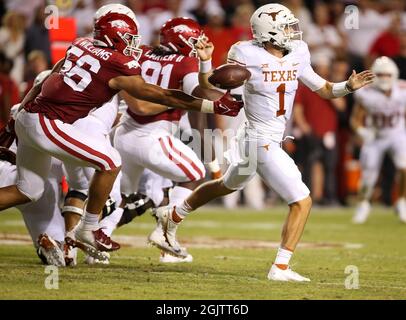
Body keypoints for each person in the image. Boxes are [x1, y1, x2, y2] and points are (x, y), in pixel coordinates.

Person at [150, 3, 374, 282]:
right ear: (269, 32)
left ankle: (172, 215)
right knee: (302, 201)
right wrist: (206, 61)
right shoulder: (245, 53)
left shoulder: (298, 52)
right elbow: (211, 87)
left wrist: (347, 87)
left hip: (260, 138)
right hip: (258, 138)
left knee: (226, 185)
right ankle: (280, 267)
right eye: (285, 27)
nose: (293, 31)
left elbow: (325, 90)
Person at [0, 4, 242, 258]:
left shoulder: (81, 44)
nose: (133, 44)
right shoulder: (118, 62)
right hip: (48, 122)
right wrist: (210, 104)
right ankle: (88, 229)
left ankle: (85, 233)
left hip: (30, 117)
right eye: (128, 38)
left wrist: (13, 121)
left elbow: (47, 77)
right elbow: (157, 94)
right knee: (110, 162)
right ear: (111, 36)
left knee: (28, 191)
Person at [350, 56, 406, 224]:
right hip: (375, 136)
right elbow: (355, 120)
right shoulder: (366, 93)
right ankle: (363, 204)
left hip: (397, 133)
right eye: (380, 74)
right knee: (368, 178)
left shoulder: (402, 90)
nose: (384, 78)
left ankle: (402, 201)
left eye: (387, 75)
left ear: (394, 75)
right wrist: (362, 131)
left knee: (404, 167)